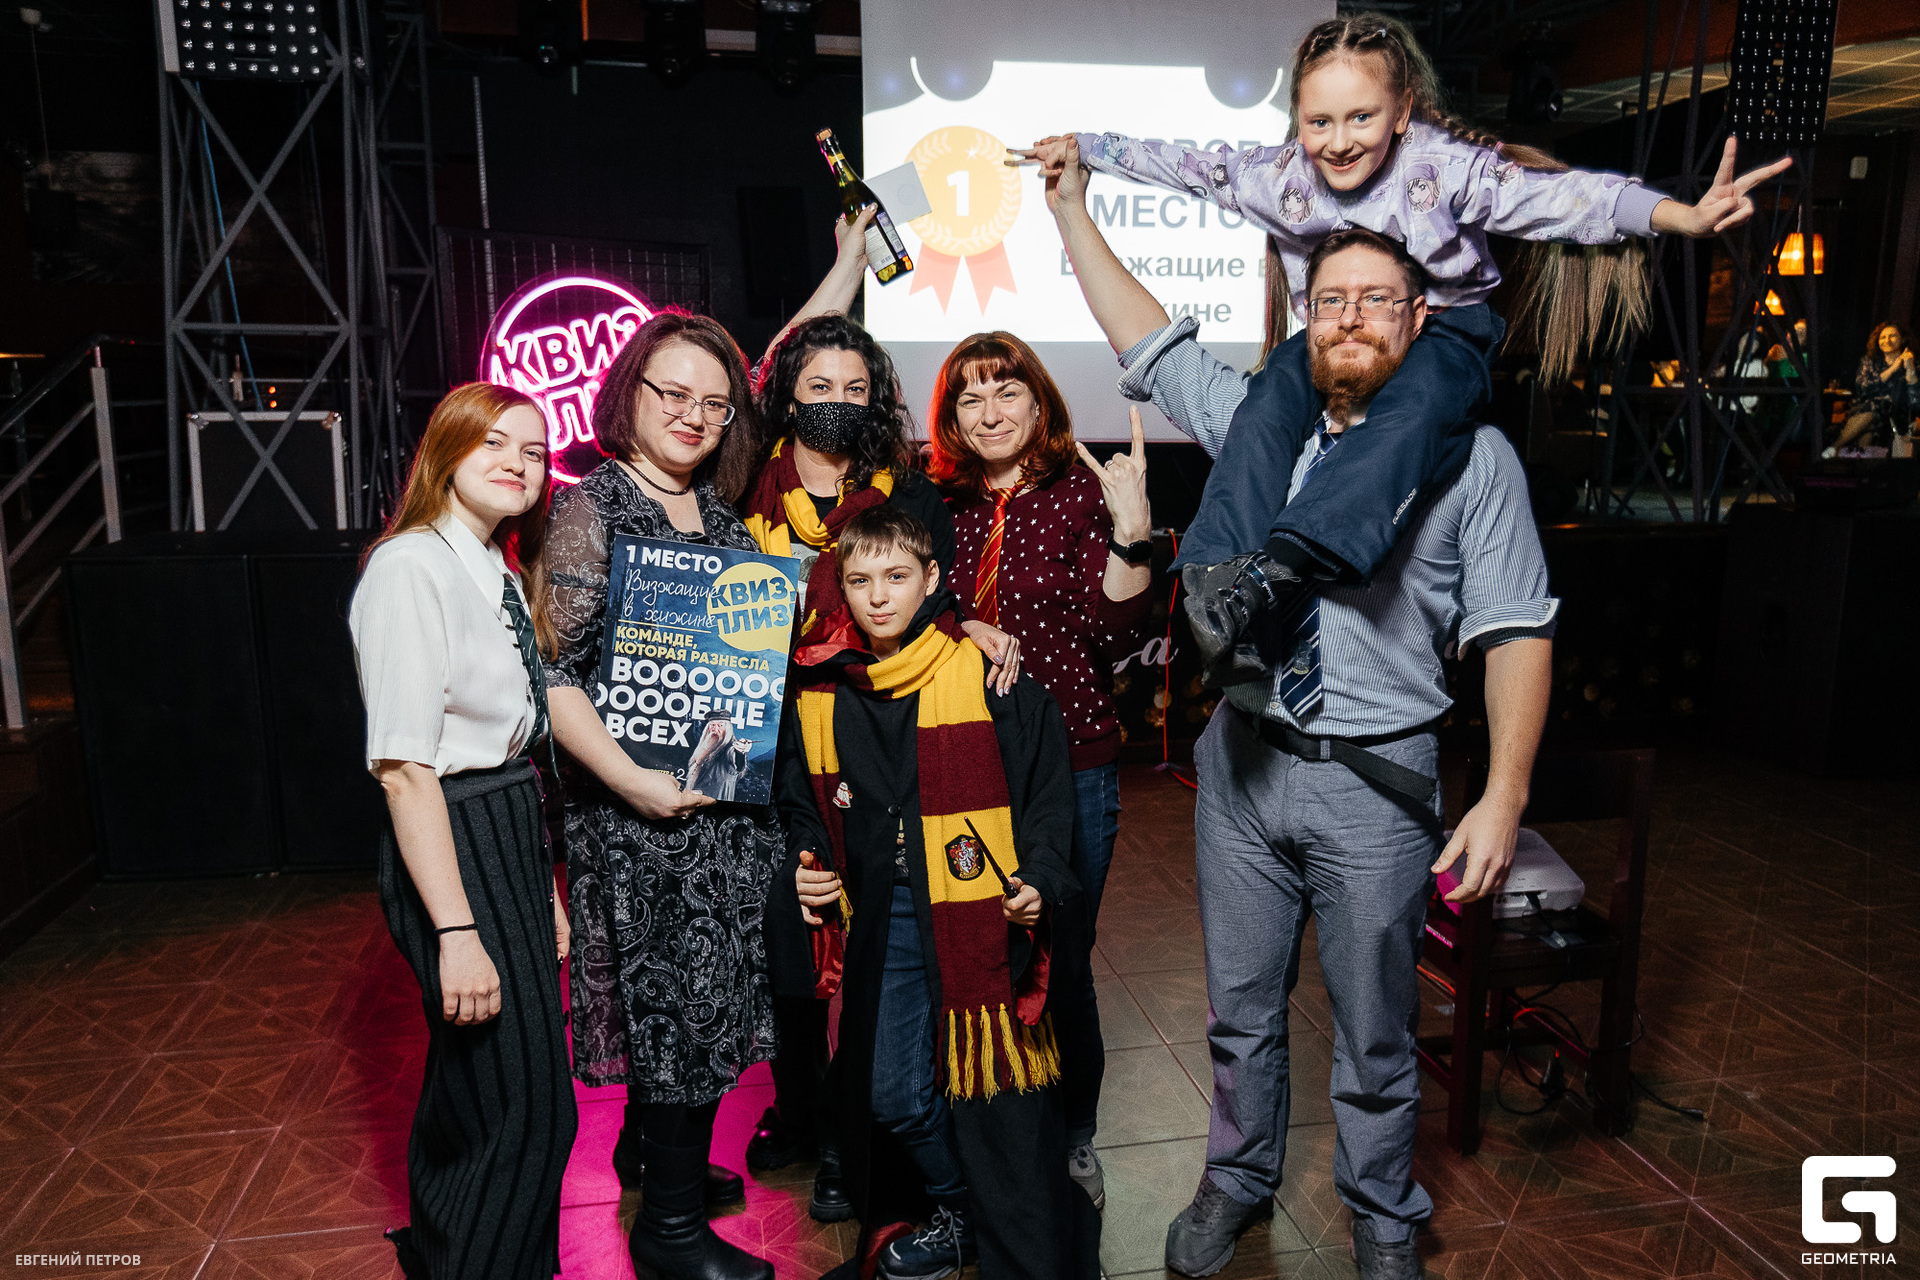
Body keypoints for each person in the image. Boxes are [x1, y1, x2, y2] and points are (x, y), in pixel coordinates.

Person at [1053, 150, 1558, 1278]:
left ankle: (1383, 1211)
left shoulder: (1474, 461)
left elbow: (1518, 626)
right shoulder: (1261, 426)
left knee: (1376, 1027)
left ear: (1420, 316)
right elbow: (1148, 339)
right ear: (1305, 319)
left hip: (1376, 782)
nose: (1352, 317)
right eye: (1331, 300)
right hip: (1242, 770)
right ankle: (1238, 1176)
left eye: (1378, 298)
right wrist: (1071, 208)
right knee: (1239, 1009)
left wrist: (1505, 795)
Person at [1018, 12, 1786, 687]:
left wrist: (1675, 216)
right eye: (1319, 122)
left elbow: (1560, 200)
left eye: (1361, 118)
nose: (1339, 142)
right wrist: (1086, 153)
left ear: (1403, 112)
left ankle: (1296, 556)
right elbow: (1182, 170)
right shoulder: (1279, 184)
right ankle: (1225, 572)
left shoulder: (1443, 179)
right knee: (1266, 402)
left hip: (1451, 331)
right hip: (1259, 702)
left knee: (1416, 406)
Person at [737, 215, 1022, 1223]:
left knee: (866, 947)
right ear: (789, 394)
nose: (836, 398)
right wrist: (846, 265)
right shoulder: (751, 480)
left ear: (876, 401)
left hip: (869, 738)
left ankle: (853, 1142)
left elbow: (936, 598)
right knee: (789, 940)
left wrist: (968, 621)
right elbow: (762, 366)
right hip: (765, 737)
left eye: (855, 387)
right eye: (818, 383)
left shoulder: (904, 489)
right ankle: (807, 1114)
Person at [771, 504, 1099, 1280]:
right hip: (884, 917)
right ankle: (963, 1212)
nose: (878, 597)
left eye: (896, 577)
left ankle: (1004, 1220)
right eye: (860, 581)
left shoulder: (988, 674)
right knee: (892, 1095)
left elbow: (1048, 795)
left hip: (980, 914)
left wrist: (1041, 878)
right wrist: (806, 856)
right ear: (841, 588)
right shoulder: (820, 689)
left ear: (932, 579)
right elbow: (799, 800)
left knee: (998, 1105)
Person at [542, 311, 779, 1280]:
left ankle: (657, 1164)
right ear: (629, 392)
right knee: (673, 1016)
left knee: (699, 1007)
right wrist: (632, 781)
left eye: (715, 404)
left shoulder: (719, 519)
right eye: (673, 393)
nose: (694, 415)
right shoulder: (591, 508)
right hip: (635, 820)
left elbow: (735, 679)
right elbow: (552, 675)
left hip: (714, 815)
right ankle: (670, 1233)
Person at [349, 382, 577, 1280]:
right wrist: (456, 931)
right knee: (526, 1111)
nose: (519, 462)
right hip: (452, 838)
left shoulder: (496, 572)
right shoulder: (411, 567)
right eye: (496, 442)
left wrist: (540, 890)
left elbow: (511, 752)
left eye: (534, 451)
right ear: (446, 451)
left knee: (480, 1098)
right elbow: (406, 770)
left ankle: (454, 1253)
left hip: (503, 830)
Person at [925, 331, 1157, 1209]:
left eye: (1007, 391)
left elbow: (1116, 631)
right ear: (951, 418)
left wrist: (1132, 538)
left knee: (1061, 957)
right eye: (970, 397)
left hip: (1072, 764)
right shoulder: (937, 506)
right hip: (959, 765)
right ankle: (986, 1128)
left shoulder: (1081, 495)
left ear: (1039, 402)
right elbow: (901, 607)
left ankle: (1070, 1133)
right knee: (968, 953)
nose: (990, 413)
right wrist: (959, 626)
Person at [1827, 322, 1918, 457]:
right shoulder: (1869, 361)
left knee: (1874, 411)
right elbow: (1863, 388)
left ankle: (1834, 448)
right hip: (1865, 411)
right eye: (1883, 337)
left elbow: (1916, 402)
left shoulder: (1913, 363)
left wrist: (1910, 369)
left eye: (1892, 336)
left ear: (1903, 339)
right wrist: (1893, 368)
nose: (1887, 340)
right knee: (1873, 416)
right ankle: (1860, 463)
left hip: (1897, 416)